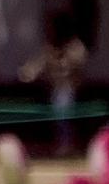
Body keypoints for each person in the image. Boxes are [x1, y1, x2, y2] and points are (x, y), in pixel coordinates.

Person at [22, 11, 89, 152]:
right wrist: (28, 73)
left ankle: (67, 144)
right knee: (57, 114)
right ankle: (63, 143)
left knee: (62, 109)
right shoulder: (50, 48)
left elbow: (74, 67)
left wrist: (62, 61)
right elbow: (39, 64)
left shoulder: (75, 47)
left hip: (70, 89)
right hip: (55, 89)